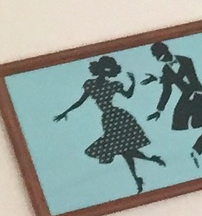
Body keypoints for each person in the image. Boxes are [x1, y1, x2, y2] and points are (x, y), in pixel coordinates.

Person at [53, 55, 165, 193]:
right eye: (103, 69)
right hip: (109, 119)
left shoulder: (113, 85)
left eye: (107, 70)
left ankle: (140, 175)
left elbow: (128, 95)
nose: (104, 72)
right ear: (98, 69)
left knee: (125, 150)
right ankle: (146, 167)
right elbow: (80, 102)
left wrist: (133, 82)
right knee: (125, 151)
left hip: (119, 118)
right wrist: (65, 112)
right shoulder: (90, 84)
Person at [144, 40, 202, 167]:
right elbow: (167, 91)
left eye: (163, 57)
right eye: (160, 59)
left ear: (167, 50)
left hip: (200, 95)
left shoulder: (186, 60)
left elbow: (187, 76)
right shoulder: (166, 70)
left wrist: (160, 79)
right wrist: (159, 110)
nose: (164, 60)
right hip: (189, 101)